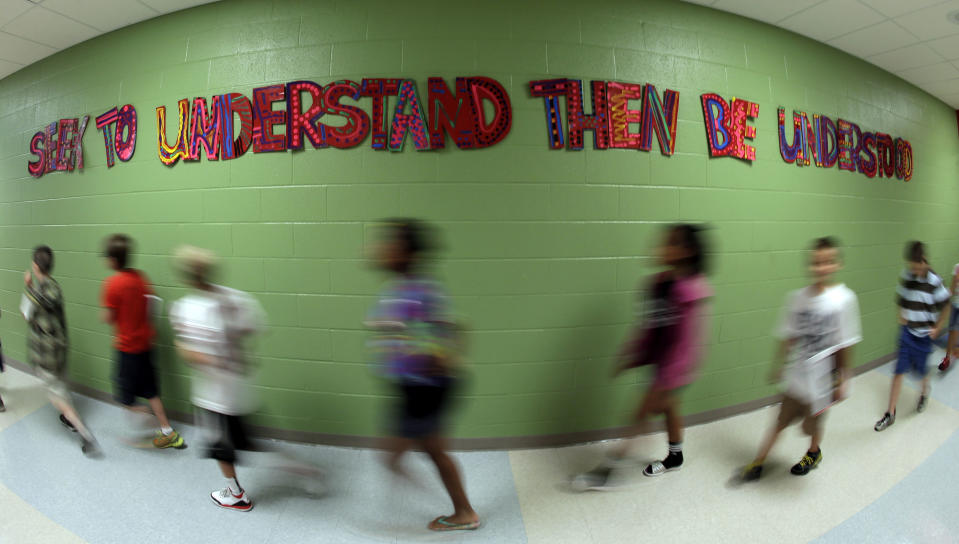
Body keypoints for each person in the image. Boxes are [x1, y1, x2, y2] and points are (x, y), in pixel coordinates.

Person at [572, 224, 712, 490]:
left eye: (671, 244)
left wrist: (667, 381)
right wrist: (633, 355)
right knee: (670, 408)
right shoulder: (657, 284)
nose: (661, 248)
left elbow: (688, 343)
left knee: (638, 415)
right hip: (662, 363)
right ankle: (676, 456)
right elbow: (650, 327)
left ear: (688, 251)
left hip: (678, 367)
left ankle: (606, 472)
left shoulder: (692, 291)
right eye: (663, 242)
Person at [366, 219, 480, 532]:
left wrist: (434, 359)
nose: (381, 249)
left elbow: (448, 336)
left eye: (390, 245)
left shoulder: (420, 290)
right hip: (413, 388)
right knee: (420, 452)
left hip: (424, 389)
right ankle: (460, 511)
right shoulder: (399, 289)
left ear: (409, 254)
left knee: (400, 456)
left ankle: (459, 513)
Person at [741, 237, 861, 482]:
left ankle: (813, 452)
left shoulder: (844, 299)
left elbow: (846, 343)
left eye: (828, 262)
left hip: (822, 381)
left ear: (838, 264)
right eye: (816, 263)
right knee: (780, 421)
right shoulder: (797, 298)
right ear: (810, 265)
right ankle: (758, 461)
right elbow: (788, 337)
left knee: (812, 427)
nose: (822, 267)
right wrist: (779, 365)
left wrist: (842, 379)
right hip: (797, 375)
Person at [169, 246, 265, 511]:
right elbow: (254, 328)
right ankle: (301, 469)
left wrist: (208, 357)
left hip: (212, 398)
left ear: (186, 276)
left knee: (222, 449)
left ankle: (236, 494)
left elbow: (188, 354)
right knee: (250, 442)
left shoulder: (184, 309)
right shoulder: (237, 299)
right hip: (241, 391)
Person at [101, 234, 183, 448]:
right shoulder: (141, 278)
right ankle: (168, 431)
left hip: (127, 348)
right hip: (146, 345)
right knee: (150, 390)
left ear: (112, 260)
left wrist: (110, 315)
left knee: (124, 398)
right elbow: (151, 305)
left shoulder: (112, 284)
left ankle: (147, 418)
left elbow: (108, 317)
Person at [24, 245, 100, 456]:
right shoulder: (55, 287)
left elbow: (27, 314)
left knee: (57, 397)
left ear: (35, 265)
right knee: (61, 383)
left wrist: (28, 288)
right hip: (58, 350)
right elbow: (46, 303)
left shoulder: (38, 292)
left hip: (45, 355)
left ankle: (85, 434)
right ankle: (69, 417)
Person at [875, 241, 951, 431]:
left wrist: (938, 327)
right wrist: (901, 314)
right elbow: (900, 298)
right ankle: (890, 413)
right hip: (907, 333)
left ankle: (925, 392)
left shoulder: (935, 281)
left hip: (924, 335)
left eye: (917, 268)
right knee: (899, 371)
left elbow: (946, 305)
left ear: (924, 261)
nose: (915, 272)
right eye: (912, 268)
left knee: (921, 372)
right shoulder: (907, 275)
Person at [937, 262, 959, 372]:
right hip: (955, 304)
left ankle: (951, 354)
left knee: (955, 329)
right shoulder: (957, 267)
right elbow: (952, 287)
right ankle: (947, 357)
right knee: (951, 330)